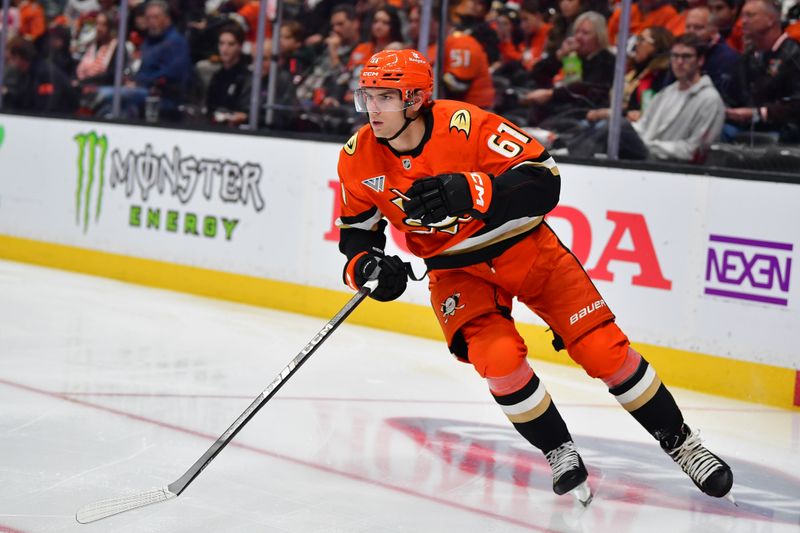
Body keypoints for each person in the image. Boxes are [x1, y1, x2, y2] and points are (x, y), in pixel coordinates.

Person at [335, 48, 734, 503]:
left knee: (604, 352)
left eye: (386, 96)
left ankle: (683, 444)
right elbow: (356, 233)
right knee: (498, 361)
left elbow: (545, 180)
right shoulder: (356, 158)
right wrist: (367, 266)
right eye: (368, 95)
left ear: (417, 98)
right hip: (456, 271)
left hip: (527, 249)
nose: (373, 108)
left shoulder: (466, 125)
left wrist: (476, 190)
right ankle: (558, 449)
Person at [571, 33, 726, 161]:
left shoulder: (710, 100)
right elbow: (643, 126)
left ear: (700, 60)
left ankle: (572, 158)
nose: (679, 62)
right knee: (607, 126)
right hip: (646, 153)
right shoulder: (666, 93)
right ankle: (569, 151)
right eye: (675, 56)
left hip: (670, 164)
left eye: (686, 57)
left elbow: (695, 150)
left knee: (616, 128)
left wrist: (650, 145)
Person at [725, 0, 800, 143]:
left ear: (770, 20)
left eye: (750, 16)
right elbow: (732, 95)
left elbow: (797, 103)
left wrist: (760, 113)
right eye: (742, 16)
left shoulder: (795, 55)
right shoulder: (748, 57)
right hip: (744, 126)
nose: (743, 22)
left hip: (783, 131)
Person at [205, 23, 251, 127]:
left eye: (231, 44)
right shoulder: (217, 76)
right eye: (221, 43)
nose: (224, 49)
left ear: (240, 46)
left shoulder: (247, 77)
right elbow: (210, 106)